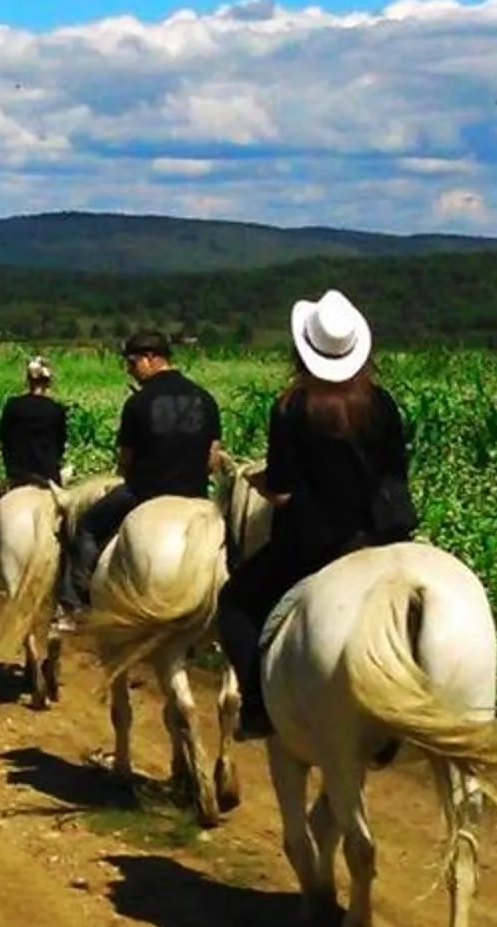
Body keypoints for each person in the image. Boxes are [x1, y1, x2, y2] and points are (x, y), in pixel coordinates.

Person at [217, 288, 420, 740]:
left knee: (234, 603)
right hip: (386, 537)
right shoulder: (382, 403)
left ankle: (257, 705)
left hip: (316, 545)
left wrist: (258, 483)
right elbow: (394, 474)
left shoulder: (292, 407)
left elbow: (284, 491)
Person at [55, 330, 221, 623]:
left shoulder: (139, 403)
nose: (130, 371)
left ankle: (74, 603)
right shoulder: (206, 399)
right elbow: (213, 461)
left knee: (87, 527)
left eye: (132, 363)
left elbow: (125, 463)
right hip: (197, 496)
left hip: (145, 492)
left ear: (150, 358)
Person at [0, 356, 71, 585]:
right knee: (72, 528)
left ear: (28, 380)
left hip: (18, 476)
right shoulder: (56, 410)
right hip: (48, 480)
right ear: (48, 382)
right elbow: (61, 443)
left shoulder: (13, 406)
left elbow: (3, 438)